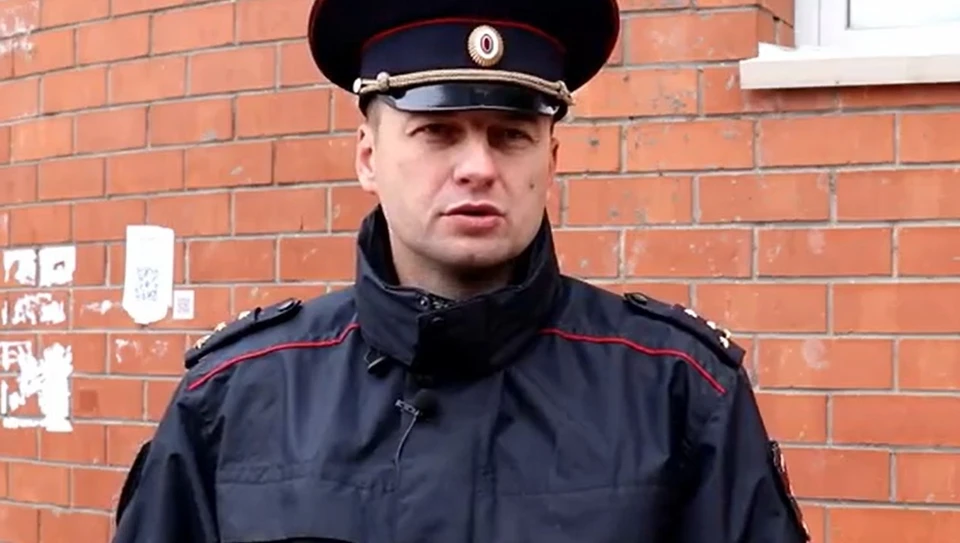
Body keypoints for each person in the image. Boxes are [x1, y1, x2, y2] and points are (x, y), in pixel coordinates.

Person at [111, 0, 811, 540]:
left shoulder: (678, 394)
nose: (478, 166)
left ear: (550, 161)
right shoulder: (233, 398)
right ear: (368, 157)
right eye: (437, 132)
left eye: (511, 135)